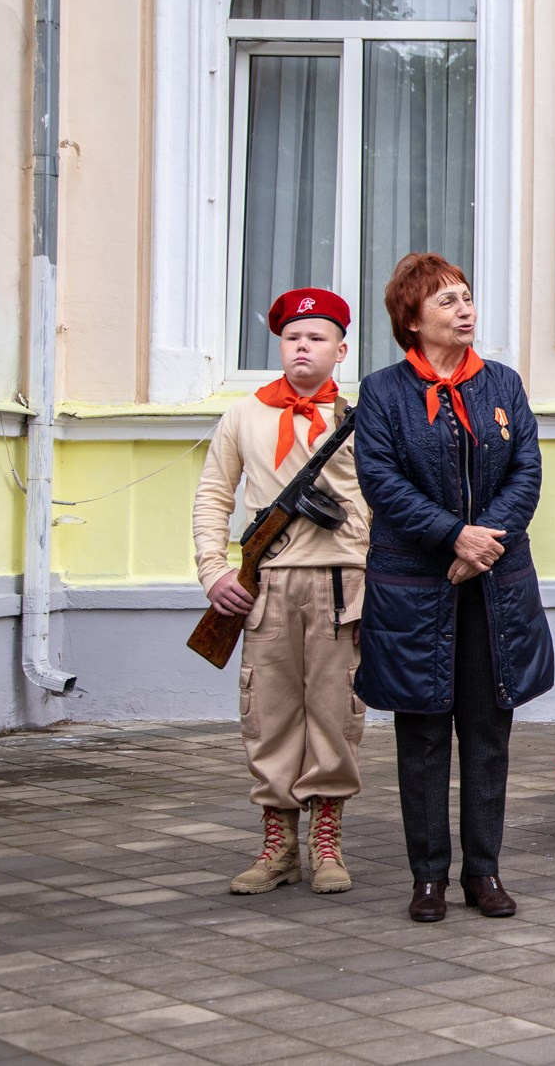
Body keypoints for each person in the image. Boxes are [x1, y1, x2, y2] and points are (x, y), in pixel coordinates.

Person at [352, 253, 552, 923]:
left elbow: (525, 467)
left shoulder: (503, 384)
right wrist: (452, 536)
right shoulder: (382, 393)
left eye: (466, 297)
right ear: (412, 318)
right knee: (425, 732)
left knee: (488, 730)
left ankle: (484, 872)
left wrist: (484, 539)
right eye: (446, 301)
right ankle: (428, 876)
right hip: (416, 587)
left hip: (493, 586)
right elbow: (381, 481)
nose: (464, 309)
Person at [193, 289, 368, 897]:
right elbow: (214, 494)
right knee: (267, 715)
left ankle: (327, 841)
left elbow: (385, 501)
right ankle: (278, 844)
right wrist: (214, 571)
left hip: (341, 586)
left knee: (335, 711)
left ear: (340, 350)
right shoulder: (243, 414)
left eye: (317, 337)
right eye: (293, 337)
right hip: (264, 586)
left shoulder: (360, 418)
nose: (303, 346)